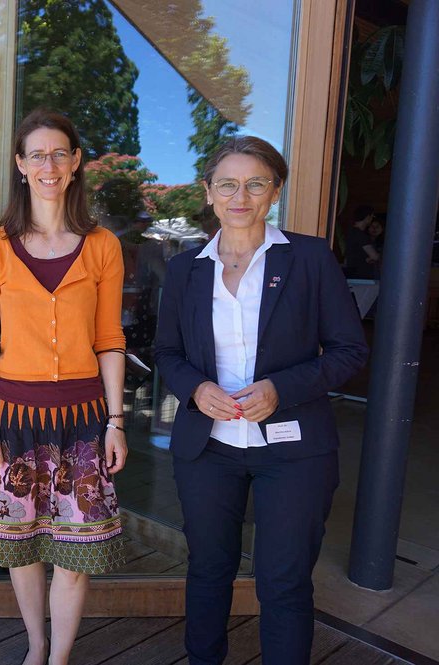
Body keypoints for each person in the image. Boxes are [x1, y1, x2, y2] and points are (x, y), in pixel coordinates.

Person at [154, 136, 369, 665]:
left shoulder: (310, 258)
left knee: (284, 580)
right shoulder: (185, 269)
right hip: (208, 448)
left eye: (256, 184)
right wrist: (195, 388)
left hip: (294, 451)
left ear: (275, 192)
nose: (240, 196)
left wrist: (281, 389)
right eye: (227, 184)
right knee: (208, 569)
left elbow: (349, 350)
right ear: (208, 192)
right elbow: (167, 352)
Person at [0, 109, 127, 665]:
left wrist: (116, 422)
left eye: (59, 153)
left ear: (76, 162)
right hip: (14, 419)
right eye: (37, 154)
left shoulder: (102, 245)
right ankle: (36, 646)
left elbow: (109, 339)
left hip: (83, 421)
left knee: (74, 556)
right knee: (22, 547)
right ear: (20, 164)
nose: (49, 165)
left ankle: (59, 659)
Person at [343, 205, 379, 279]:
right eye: (372, 216)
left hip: (352, 273)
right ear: (368, 217)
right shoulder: (361, 235)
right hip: (362, 275)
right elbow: (375, 256)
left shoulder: (351, 232)